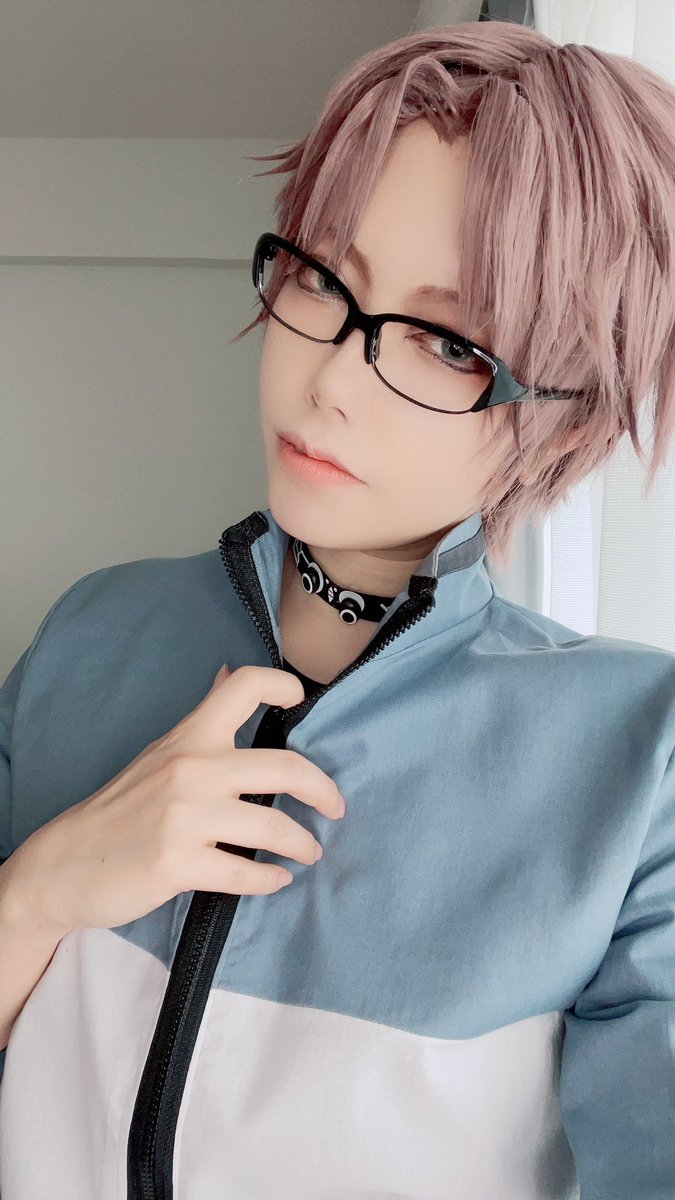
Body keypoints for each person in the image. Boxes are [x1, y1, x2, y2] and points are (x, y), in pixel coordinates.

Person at [1, 18, 674, 1200]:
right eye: (322, 279)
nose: (330, 381)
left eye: (447, 343)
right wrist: (40, 891)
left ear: (567, 413)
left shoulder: (639, 760)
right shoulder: (92, 633)